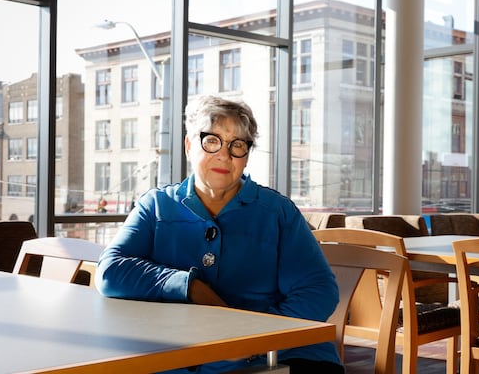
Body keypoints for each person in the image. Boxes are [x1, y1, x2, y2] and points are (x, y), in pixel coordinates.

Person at [96, 95, 343, 374]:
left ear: (246, 156)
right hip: (178, 358)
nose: (224, 155)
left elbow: (319, 292)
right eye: (212, 140)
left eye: (237, 145)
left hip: (280, 358)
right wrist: (190, 287)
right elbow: (110, 271)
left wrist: (256, 339)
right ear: (189, 146)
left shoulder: (277, 212)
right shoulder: (156, 206)